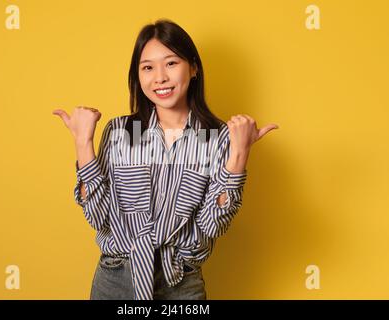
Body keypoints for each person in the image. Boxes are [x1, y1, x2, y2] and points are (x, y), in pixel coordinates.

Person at [53, 19, 278, 300]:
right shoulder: (122, 131)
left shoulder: (217, 136)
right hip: (116, 279)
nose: (159, 77)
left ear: (193, 67)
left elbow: (213, 225)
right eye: (148, 67)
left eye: (171, 63)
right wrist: (82, 143)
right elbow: (99, 217)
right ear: (138, 76)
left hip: (180, 282)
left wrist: (240, 152)